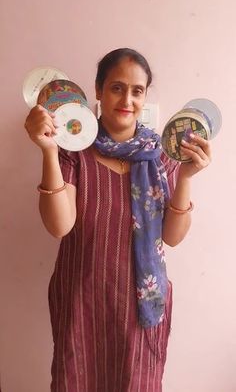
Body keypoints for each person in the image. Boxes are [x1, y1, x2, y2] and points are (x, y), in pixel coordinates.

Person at [24, 48, 211, 392]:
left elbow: (171, 237)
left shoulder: (161, 154)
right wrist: (49, 151)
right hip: (83, 306)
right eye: (116, 88)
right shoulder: (73, 150)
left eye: (137, 91)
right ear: (97, 89)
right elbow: (59, 226)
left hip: (140, 313)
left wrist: (185, 177)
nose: (127, 99)